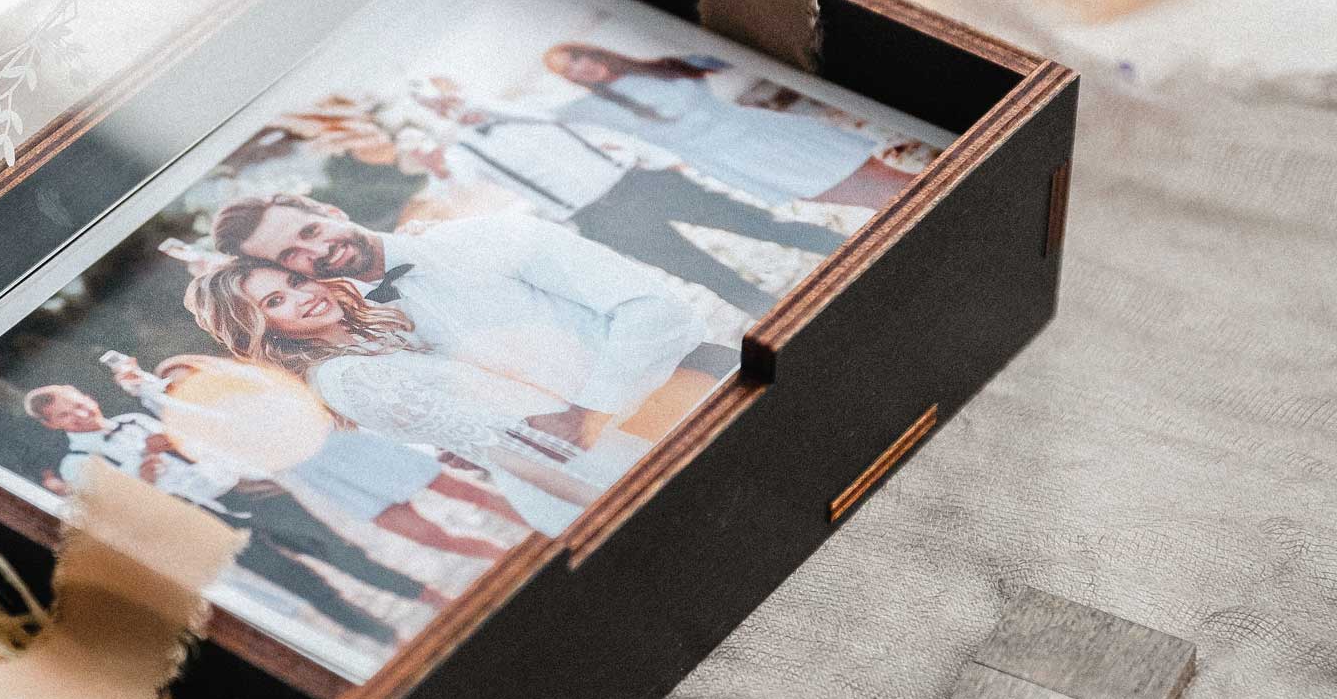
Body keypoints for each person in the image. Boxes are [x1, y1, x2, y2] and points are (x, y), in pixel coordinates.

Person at [208, 191, 723, 447]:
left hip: (695, 386)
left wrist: (590, 411)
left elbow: (655, 311)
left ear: (331, 211)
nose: (317, 249)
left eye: (311, 229)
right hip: (618, 449)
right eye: (293, 256)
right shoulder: (375, 323)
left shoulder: (488, 237)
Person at [183, 265, 606, 536]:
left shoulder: (367, 339)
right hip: (570, 473)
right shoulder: (348, 376)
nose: (302, 296)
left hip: (575, 439)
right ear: (262, 327)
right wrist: (603, 500)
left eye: (295, 281)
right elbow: (506, 452)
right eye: (275, 302)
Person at [407, 80, 847, 319]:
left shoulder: (528, 108)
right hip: (600, 217)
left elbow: (585, 125)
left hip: (640, 182)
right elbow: (455, 184)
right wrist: (435, 159)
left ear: (461, 92)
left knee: (760, 225)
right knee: (700, 271)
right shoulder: (465, 153)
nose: (451, 109)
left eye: (449, 99)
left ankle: (844, 251)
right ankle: (782, 320)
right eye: (440, 110)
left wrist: (660, 161)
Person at [22, 382, 419, 645]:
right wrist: (142, 472)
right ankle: (392, 641)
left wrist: (181, 441)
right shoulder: (76, 464)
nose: (79, 414)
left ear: (86, 396)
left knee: (341, 550)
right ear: (52, 425)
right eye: (65, 416)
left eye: (77, 404)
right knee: (301, 583)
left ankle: (430, 596)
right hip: (203, 522)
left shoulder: (135, 419)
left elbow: (204, 443)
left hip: (246, 491)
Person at [134, 354, 526, 565]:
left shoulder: (254, 384)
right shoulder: (202, 434)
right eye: (175, 386)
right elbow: (230, 467)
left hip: (345, 446)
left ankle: (543, 526)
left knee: (463, 491)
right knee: (428, 536)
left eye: (188, 376)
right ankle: (510, 559)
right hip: (319, 476)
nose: (185, 386)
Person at [544, 41, 917, 212]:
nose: (579, 68)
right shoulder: (595, 108)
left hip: (763, 132)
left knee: (884, 178)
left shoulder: (665, 66)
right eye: (568, 70)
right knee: (868, 200)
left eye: (576, 57)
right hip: (738, 159)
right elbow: (541, 119)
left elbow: (728, 52)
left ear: (591, 51)